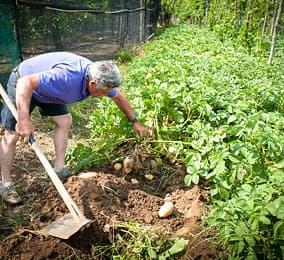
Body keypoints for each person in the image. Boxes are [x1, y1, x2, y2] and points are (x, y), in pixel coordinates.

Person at [0, 52, 148, 204]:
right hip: (23, 83)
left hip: (49, 91)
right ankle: (6, 184)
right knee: (12, 134)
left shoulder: (98, 77)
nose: (105, 95)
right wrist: (24, 119)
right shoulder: (67, 78)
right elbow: (26, 82)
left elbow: (119, 97)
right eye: (103, 92)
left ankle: (59, 170)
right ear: (92, 84)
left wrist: (135, 121)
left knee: (64, 121)